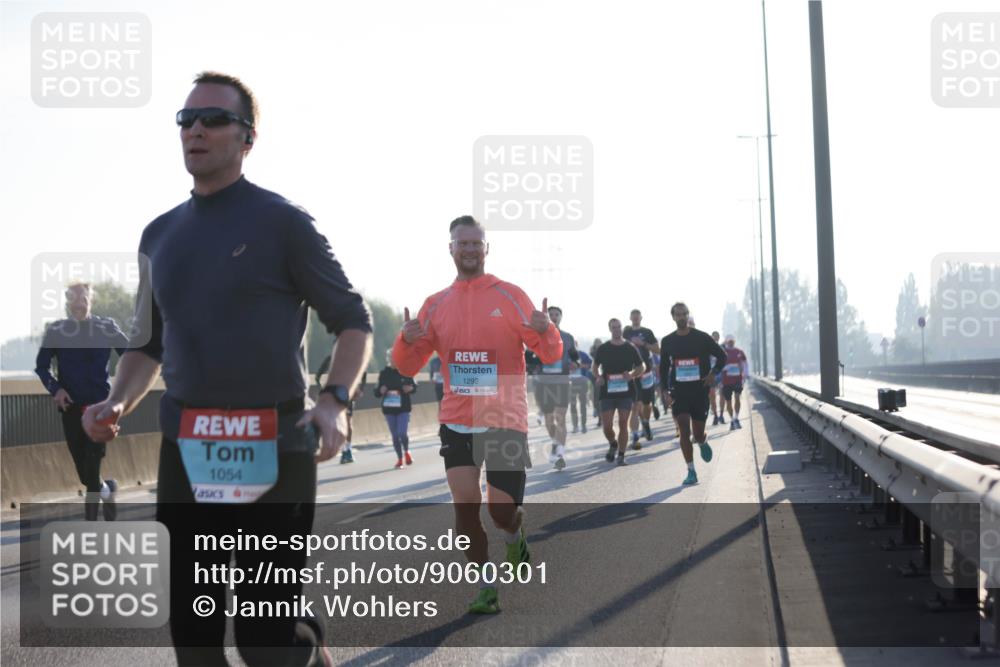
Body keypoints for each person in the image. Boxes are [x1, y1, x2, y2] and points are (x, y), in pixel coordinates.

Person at [82, 72, 372, 667]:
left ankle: (303, 643)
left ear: (247, 138)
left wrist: (334, 401)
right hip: (186, 448)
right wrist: (116, 402)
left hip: (274, 442)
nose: (196, 130)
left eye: (213, 119)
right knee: (194, 636)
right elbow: (147, 345)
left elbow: (353, 320)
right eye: (186, 120)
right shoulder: (159, 234)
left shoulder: (283, 222)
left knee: (262, 640)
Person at [392, 215, 562, 615]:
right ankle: (487, 587)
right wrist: (405, 340)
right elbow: (406, 366)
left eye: (476, 243)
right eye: (462, 243)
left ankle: (514, 536)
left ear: (487, 249)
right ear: (450, 248)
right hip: (457, 421)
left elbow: (550, 352)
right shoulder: (435, 305)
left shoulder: (510, 295)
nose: (469, 250)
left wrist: (547, 330)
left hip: (504, 419)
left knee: (501, 512)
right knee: (464, 509)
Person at [35, 283, 129, 521]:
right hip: (71, 409)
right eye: (74, 301)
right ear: (68, 303)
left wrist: (119, 393)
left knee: (93, 462)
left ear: (91, 300)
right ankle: (107, 490)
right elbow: (42, 367)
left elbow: (131, 356)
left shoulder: (106, 327)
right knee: (85, 472)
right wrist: (56, 389)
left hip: (100, 408)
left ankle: (91, 526)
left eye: (83, 300)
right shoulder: (56, 331)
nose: (79, 305)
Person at [660, 303, 727, 486]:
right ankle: (691, 471)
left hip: (699, 391)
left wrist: (713, 374)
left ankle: (702, 441)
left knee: (697, 434)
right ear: (673, 317)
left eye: (684, 314)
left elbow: (722, 357)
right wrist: (664, 390)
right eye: (678, 314)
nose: (681, 317)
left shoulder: (702, 338)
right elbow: (664, 367)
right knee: (683, 429)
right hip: (679, 391)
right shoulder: (667, 341)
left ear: (688, 316)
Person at [531, 305, 579, 470]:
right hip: (544, 384)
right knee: (549, 420)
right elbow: (530, 358)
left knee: (560, 418)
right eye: (550, 314)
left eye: (556, 314)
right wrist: (535, 364)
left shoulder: (567, 337)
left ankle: (559, 453)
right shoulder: (537, 336)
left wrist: (574, 363)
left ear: (561, 317)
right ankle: (555, 442)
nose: (553, 316)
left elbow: (575, 356)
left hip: (562, 382)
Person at [593, 319, 646, 466]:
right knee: (607, 426)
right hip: (607, 391)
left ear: (622, 328)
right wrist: (598, 377)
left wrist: (632, 374)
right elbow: (594, 366)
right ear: (610, 329)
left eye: (619, 327)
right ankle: (613, 443)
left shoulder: (630, 347)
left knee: (623, 423)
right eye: (614, 327)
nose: (617, 330)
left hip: (626, 391)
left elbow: (641, 366)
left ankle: (621, 455)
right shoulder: (603, 348)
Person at [316, 354, 365, 463]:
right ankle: (343, 449)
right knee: (338, 422)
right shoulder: (330, 359)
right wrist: (322, 390)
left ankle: (348, 449)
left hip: (348, 394)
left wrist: (361, 389)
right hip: (333, 394)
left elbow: (363, 372)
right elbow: (317, 376)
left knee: (348, 423)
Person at [623, 309, 659, 449]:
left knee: (647, 404)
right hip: (632, 372)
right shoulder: (626, 333)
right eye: (634, 316)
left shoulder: (647, 332)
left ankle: (645, 422)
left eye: (638, 316)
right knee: (634, 406)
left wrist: (643, 344)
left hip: (647, 372)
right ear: (630, 317)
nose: (636, 318)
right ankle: (635, 435)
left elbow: (657, 349)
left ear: (641, 318)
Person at [376, 350, 417, 468]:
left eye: (396, 358)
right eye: (391, 358)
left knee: (402, 433)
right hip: (389, 409)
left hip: (404, 408)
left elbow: (414, 386)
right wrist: (380, 390)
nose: (394, 360)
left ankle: (407, 451)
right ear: (388, 359)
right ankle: (399, 458)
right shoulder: (384, 373)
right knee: (394, 436)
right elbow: (376, 391)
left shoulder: (406, 371)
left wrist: (410, 388)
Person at [721, 335, 749, 430]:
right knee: (728, 402)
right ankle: (732, 420)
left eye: (732, 341)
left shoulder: (739, 352)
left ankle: (736, 417)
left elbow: (745, 364)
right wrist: (727, 367)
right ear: (726, 342)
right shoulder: (723, 353)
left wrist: (745, 374)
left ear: (734, 341)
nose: (731, 343)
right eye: (729, 341)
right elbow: (718, 365)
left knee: (737, 398)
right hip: (726, 381)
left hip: (737, 379)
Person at [569, 349, 592, 434]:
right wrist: (570, 366)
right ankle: (575, 426)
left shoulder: (583, 354)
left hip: (582, 381)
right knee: (572, 405)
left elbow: (591, 364)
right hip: (571, 382)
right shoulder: (566, 355)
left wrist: (580, 365)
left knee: (583, 405)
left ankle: (584, 425)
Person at [708, 330, 725, 425]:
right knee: (712, 396)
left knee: (722, 395)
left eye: (716, 337)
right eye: (713, 337)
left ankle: (721, 415)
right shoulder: (707, 348)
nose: (715, 338)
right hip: (711, 375)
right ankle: (715, 416)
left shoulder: (722, 348)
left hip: (721, 375)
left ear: (718, 338)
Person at [589, 338, 603, 427]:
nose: (598, 345)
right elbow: (592, 355)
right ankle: (600, 418)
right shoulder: (593, 353)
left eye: (599, 343)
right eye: (596, 343)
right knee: (597, 399)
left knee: (603, 399)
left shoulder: (605, 351)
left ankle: (602, 418)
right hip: (595, 377)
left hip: (604, 376)